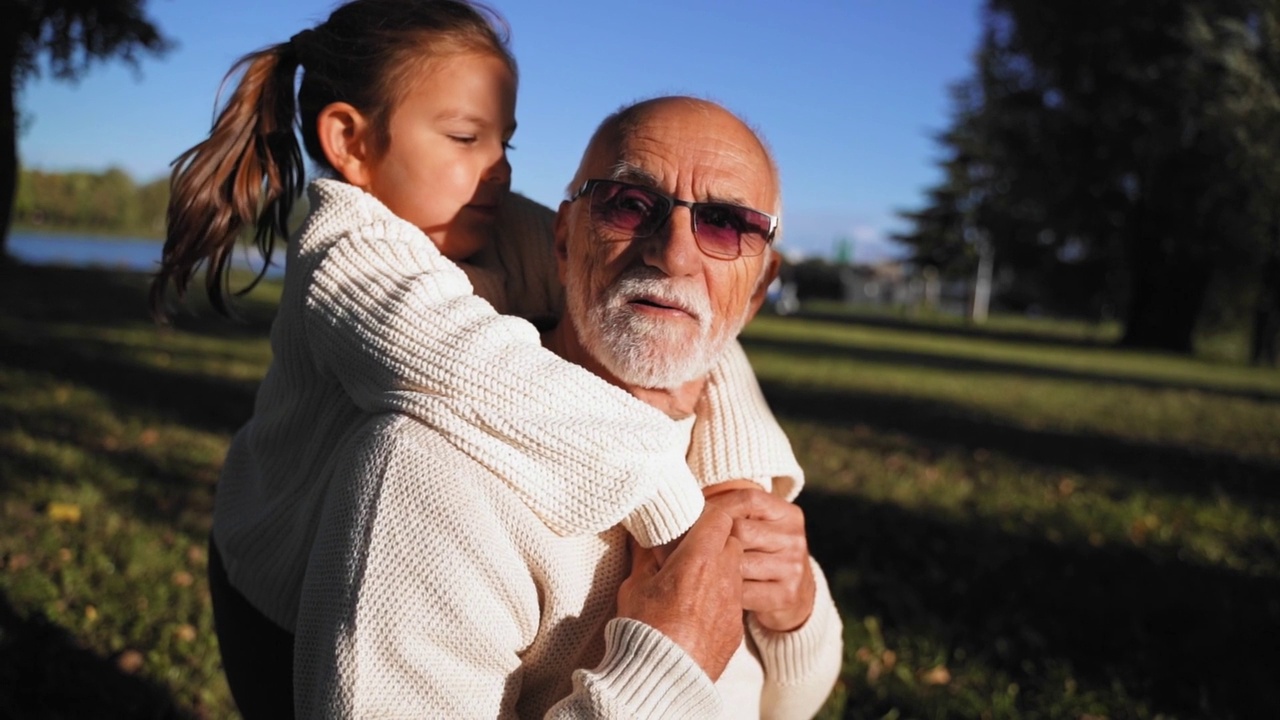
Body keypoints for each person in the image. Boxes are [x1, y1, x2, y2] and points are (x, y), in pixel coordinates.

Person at [148, 1, 804, 716]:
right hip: (278, 590)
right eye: (465, 137)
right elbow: (481, 371)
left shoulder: (488, 221)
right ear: (349, 141)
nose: (496, 171)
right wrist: (681, 511)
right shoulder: (347, 254)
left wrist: (741, 484)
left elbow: (703, 328)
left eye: (506, 144)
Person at [293, 96, 843, 718]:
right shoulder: (430, 474)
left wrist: (795, 616)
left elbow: (788, 704)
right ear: (562, 240)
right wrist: (662, 673)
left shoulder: (733, 451)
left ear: (758, 292)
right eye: (630, 205)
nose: (674, 254)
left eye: (724, 223)